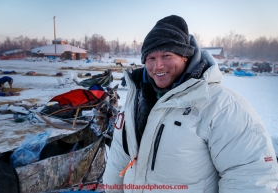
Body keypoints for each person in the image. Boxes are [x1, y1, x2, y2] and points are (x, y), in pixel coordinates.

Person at [103, 15, 278, 192]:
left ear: (185, 56)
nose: (158, 66)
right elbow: (118, 159)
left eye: (166, 55)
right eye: (151, 58)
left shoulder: (222, 106)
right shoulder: (136, 101)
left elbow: (249, 176)